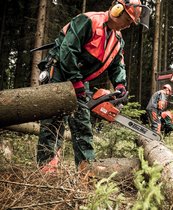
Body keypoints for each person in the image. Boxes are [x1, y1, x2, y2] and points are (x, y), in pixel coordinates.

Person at [36, 0, 151, 173]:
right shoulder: (89, 20)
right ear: (117, 10)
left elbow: (117, 65)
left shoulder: (117, 39)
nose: (128, 25)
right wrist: (75, 82)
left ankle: (86, 170)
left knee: (82, 123)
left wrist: (120, 84)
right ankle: (46, 168)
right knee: (54, 121)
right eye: (128, 20)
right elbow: (68, 50)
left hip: (80, 79)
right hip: (60, 71)